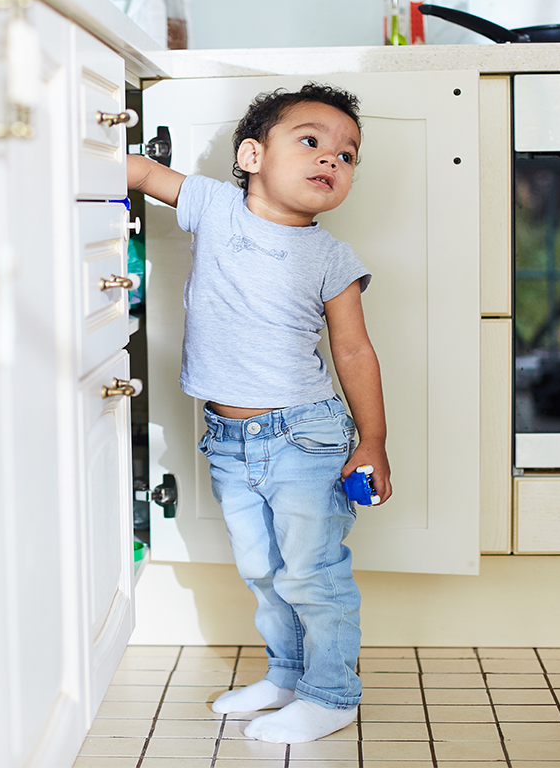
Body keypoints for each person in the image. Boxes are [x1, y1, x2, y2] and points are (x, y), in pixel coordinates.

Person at [127, 83, 392, 744]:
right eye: (311, 141)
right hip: (229, 438)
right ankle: (287, 676)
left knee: (312, 572)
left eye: (348, 155)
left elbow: (355, 350)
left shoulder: (332, 257)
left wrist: (374, 441)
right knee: (262, 568)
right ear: (251, 154)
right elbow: (136, 170)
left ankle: (332, 695)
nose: (332, 159)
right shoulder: (214, 206)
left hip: (306, 435)